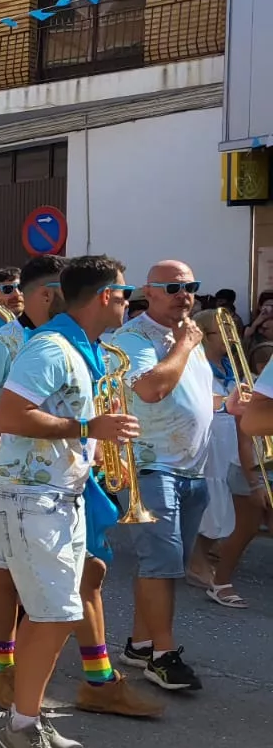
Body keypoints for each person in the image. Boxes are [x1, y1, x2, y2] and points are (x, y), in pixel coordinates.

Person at [0, 256, 160, 719]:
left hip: (64, 485)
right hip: (29, 490)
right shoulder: (21, 344)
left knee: (81, 585)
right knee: (26, 591)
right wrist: (10, 453)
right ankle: (12, 684)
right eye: (125, 294)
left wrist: (98, 450)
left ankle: (93, 681)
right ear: (46, 293)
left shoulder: (84, 344)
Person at [0, 255, 138, 748]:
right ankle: (22, 725)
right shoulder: (51, 346)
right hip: (32, 499)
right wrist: (86, 429)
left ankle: (26, 714)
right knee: (53, 616)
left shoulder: (82, 347)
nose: (127, 300)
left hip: (56, 497)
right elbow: (8, 415)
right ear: (102, 297)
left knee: (54, 615)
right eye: (124, 292)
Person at [108, 261, 214, 692]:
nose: (183, 294)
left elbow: (193, 395)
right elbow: (151, 388)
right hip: (151, 465)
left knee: (163, 565)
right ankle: (163, 656)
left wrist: (229, 404)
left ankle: (140, 643)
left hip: (190, 466)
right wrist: (185, 345)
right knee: (163, 565)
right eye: (172, 287)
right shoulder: (133, 338)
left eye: (190, 285)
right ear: (147, 293)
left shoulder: (187, 336)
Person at [188, 309, 261, 607]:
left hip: (232, 439)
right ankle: (197, 561)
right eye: (223, 333)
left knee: (225, 503)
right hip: (208, 442)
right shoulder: (195, 364)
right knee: (211, 500)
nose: (231, 339)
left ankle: (208, 555)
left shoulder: (231, 366)